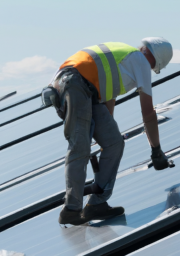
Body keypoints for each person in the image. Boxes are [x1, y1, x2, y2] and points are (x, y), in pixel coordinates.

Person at [41, 37, 173, 226]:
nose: (151, 70)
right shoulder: (140, 61)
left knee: (114, 143)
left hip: (80, 88)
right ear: (155, 60)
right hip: (75, 84)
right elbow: (148, 113)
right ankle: (72, 209)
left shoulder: (123, 60)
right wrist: (156, 150)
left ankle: (97, 204)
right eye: (154, 67)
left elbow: (108, 100)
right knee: (80, 147)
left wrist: (104, 138)